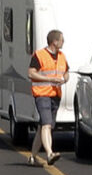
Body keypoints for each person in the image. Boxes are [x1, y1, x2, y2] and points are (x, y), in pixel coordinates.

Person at [26, 30, 69, 168]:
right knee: (46, 124)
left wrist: (64, 79)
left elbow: (66, 72)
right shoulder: (39, 55)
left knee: (42, 127)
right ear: (54, 42)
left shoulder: (62, 56)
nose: (63, 42)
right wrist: (49, 79)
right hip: (42, 94)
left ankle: (32, 157)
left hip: (55, 95)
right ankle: (50, 153)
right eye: (62, 40)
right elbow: (31, 73)